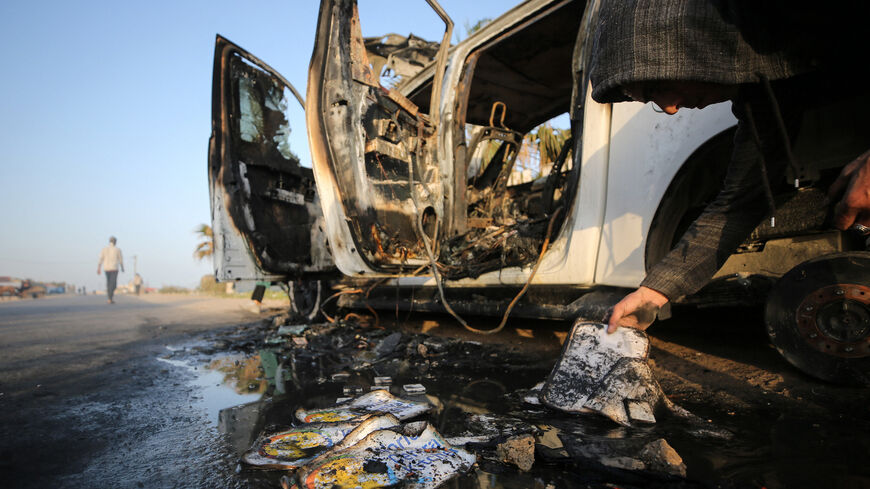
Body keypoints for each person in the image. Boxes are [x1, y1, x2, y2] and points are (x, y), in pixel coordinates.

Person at [584, 1, 870, 333]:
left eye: (659, 85)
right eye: (653, 103)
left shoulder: (813, 16)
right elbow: (738, 205)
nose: (673, 109)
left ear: (692, 38)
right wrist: (653, 292)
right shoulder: (761, 98)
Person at [97, 236, 124, 304]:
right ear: (115, 242)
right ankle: (110, 298)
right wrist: (122, 267)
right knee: (112, 284)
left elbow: (101, 259)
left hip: (107, 268)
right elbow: (120, 260)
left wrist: (99, 268)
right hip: (113, 268)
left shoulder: (110, 249)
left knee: (110, 284)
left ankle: (110, 297)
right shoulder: (116, 250)